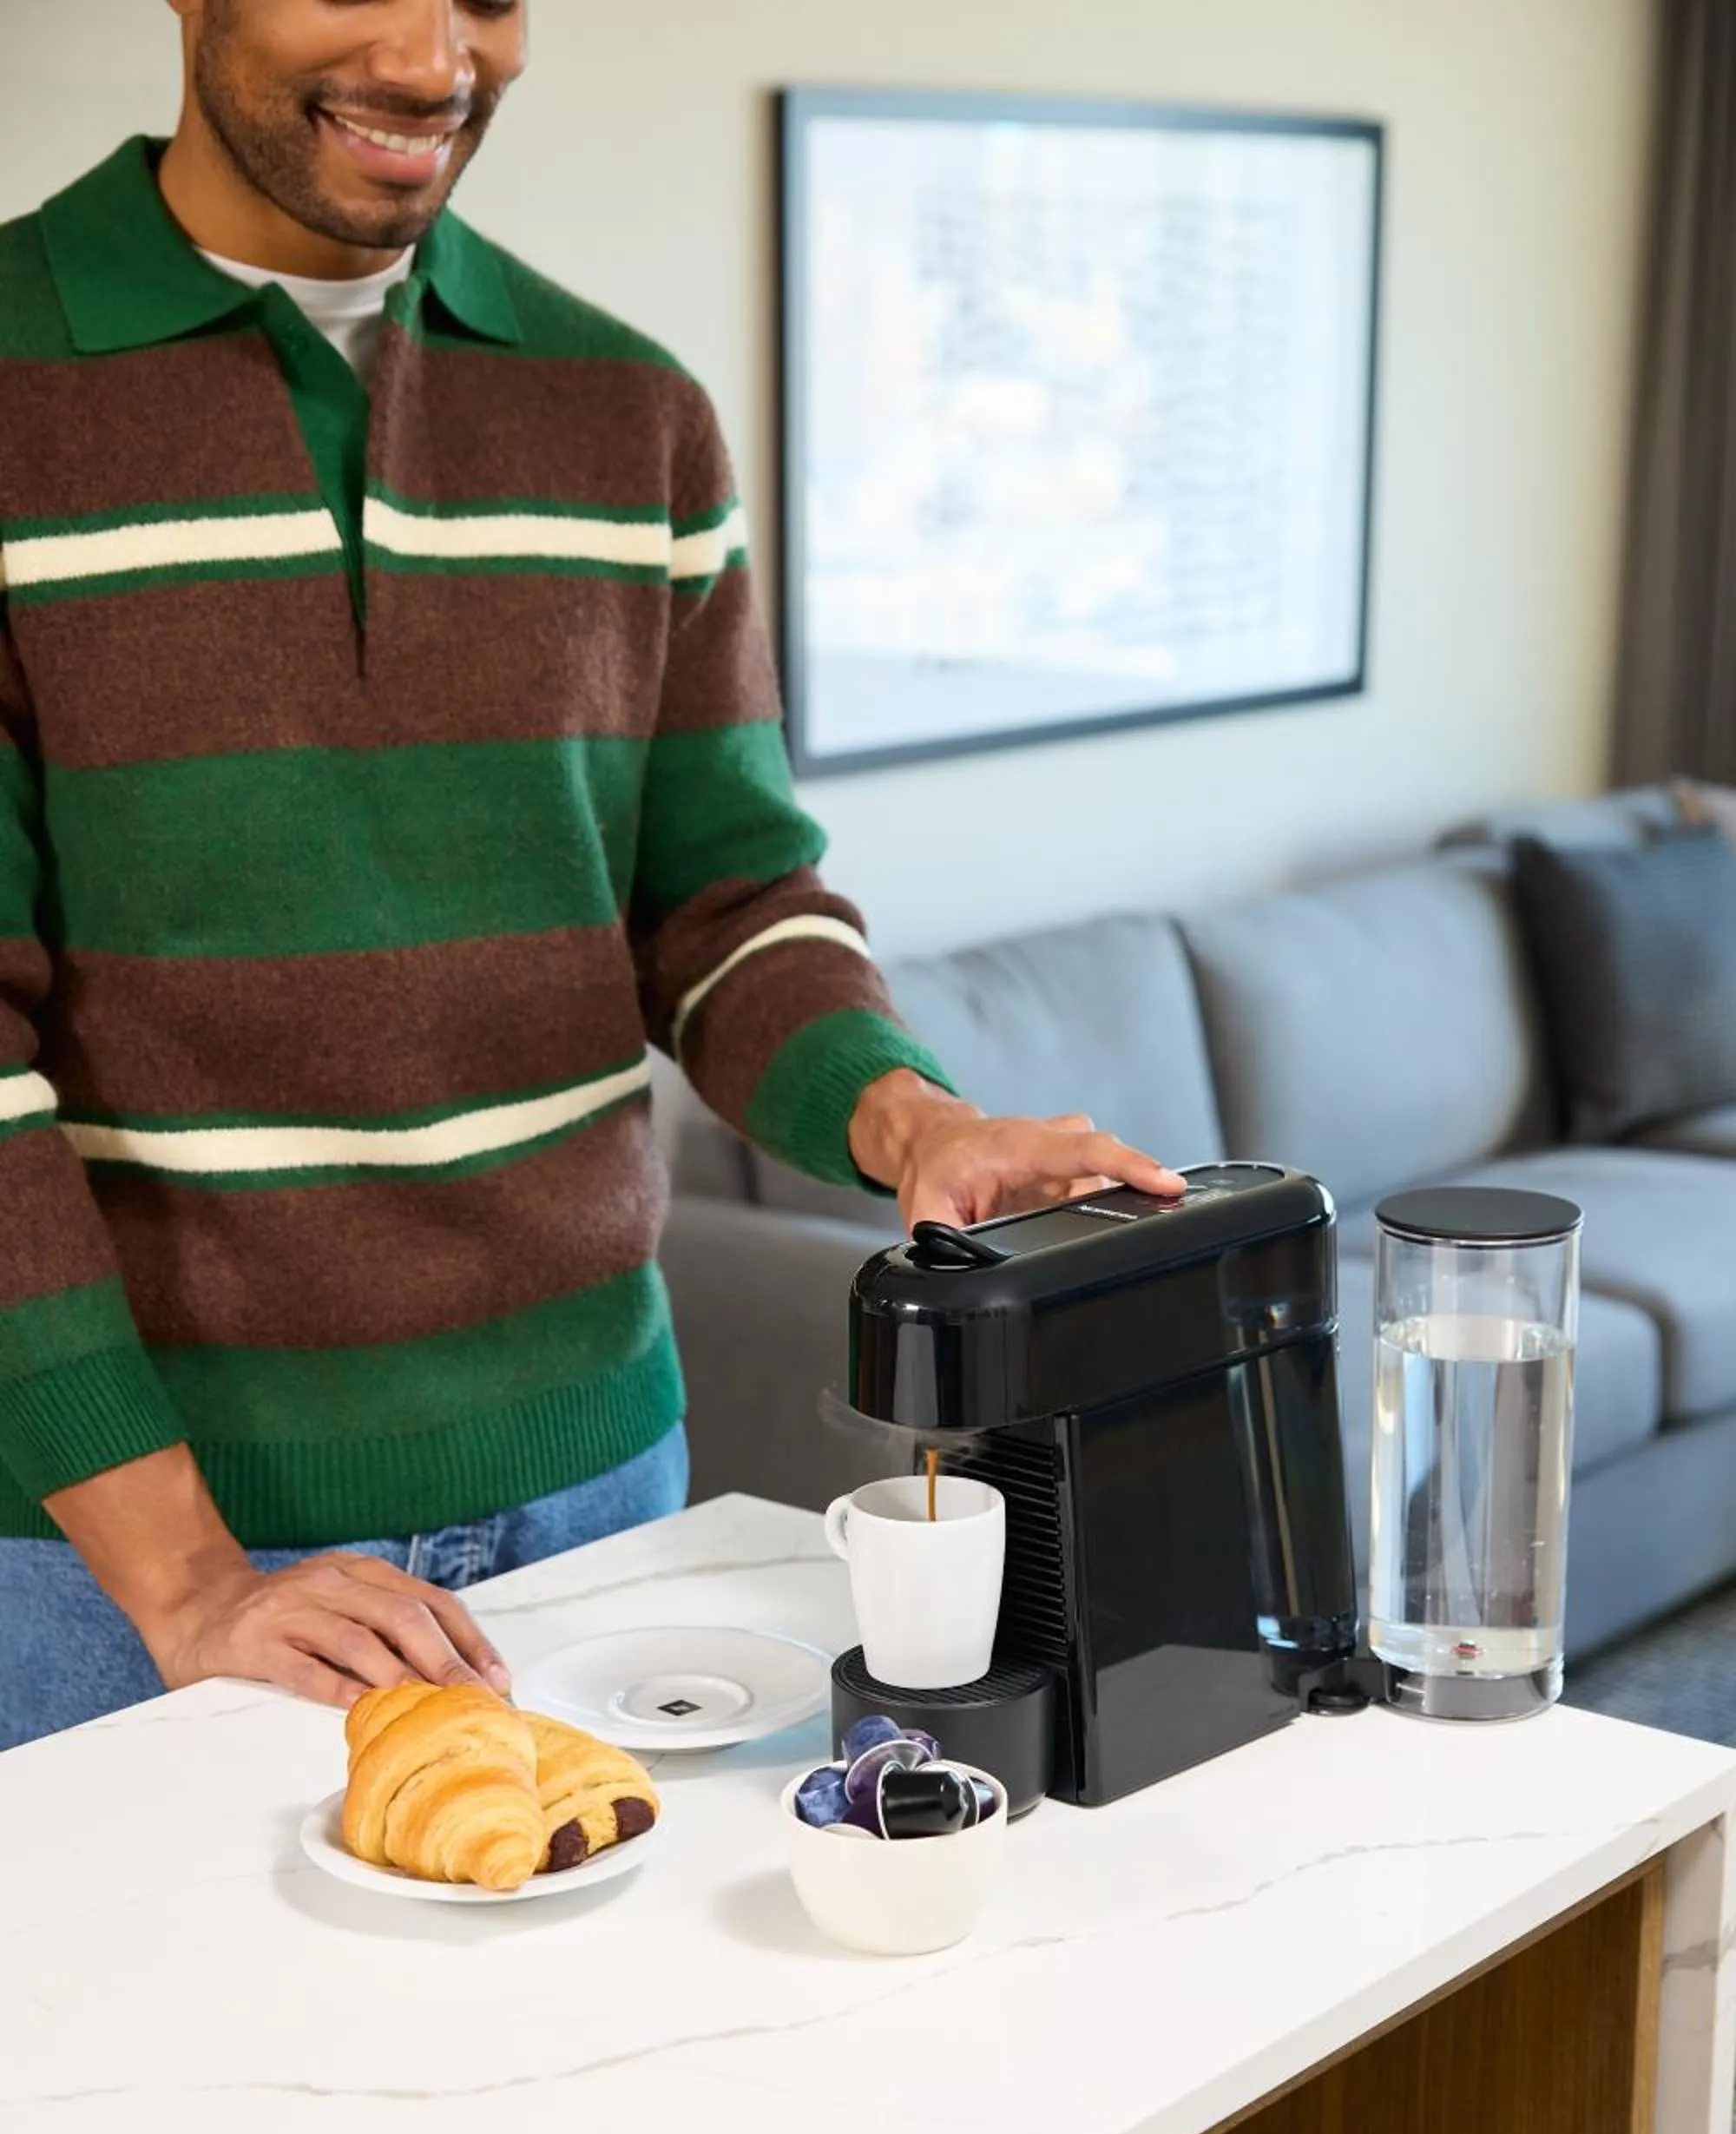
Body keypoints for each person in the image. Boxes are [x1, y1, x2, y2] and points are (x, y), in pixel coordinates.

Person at [0, 0, 1181, 1748]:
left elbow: (723, 910)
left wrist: (913, 1121)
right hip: (118, 1559)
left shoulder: (630, 414)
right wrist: (180, 1572)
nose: (428, 57)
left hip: (600, 1498)